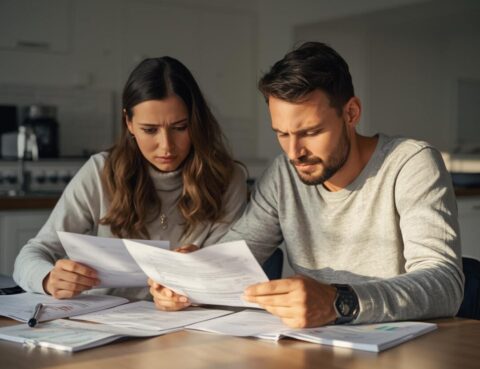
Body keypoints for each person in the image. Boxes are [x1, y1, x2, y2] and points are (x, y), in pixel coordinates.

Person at [154, 42, 464, 328]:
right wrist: (190, 275)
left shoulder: (410, 164)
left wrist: (338, 302)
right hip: (310, 346)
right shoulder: (283, 174)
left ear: (351, 113)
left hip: (398, 348)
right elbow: (236, 255)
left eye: (311, 132)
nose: (294, 153)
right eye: (282, 134)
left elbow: (445, 284)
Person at [13, 57, 247, 302]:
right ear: (129, 123)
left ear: (196, 122)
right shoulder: (100, 172)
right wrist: (49, 278)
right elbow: (32, 254)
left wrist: (197, 277)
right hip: (103, 323)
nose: (166, 146)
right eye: (150, 130)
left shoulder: (227, 179)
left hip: (190, 328)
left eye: (180, 127)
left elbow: (227, 278)